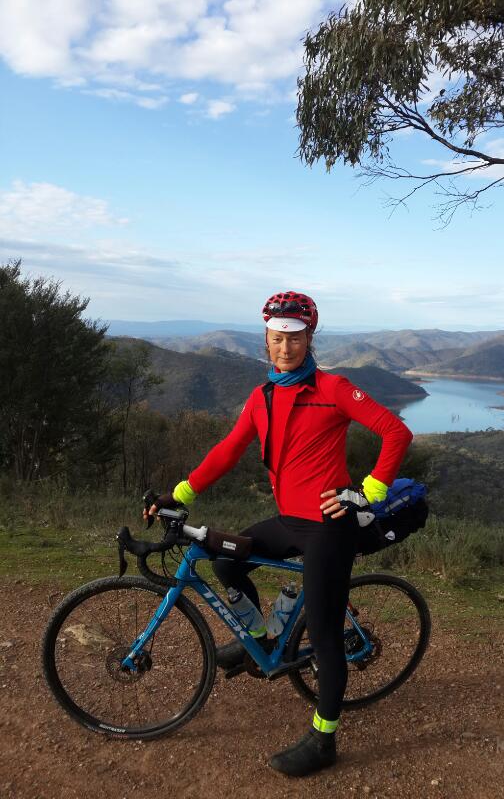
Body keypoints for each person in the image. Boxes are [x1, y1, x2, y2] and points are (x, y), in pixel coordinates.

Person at [147, 290, 413, 777]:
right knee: (226, 559)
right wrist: (180, 494)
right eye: (276, 338)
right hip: (290, 519)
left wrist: (368, 492)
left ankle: (324, 739)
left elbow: (396, 432)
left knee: (327, 633)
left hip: (330, 527)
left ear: (309, 338)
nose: (284, 347)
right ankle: (260, 638)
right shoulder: (262, 396)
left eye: (294, 338)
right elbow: (228, 450)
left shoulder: (333, 389)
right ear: (266, 341)